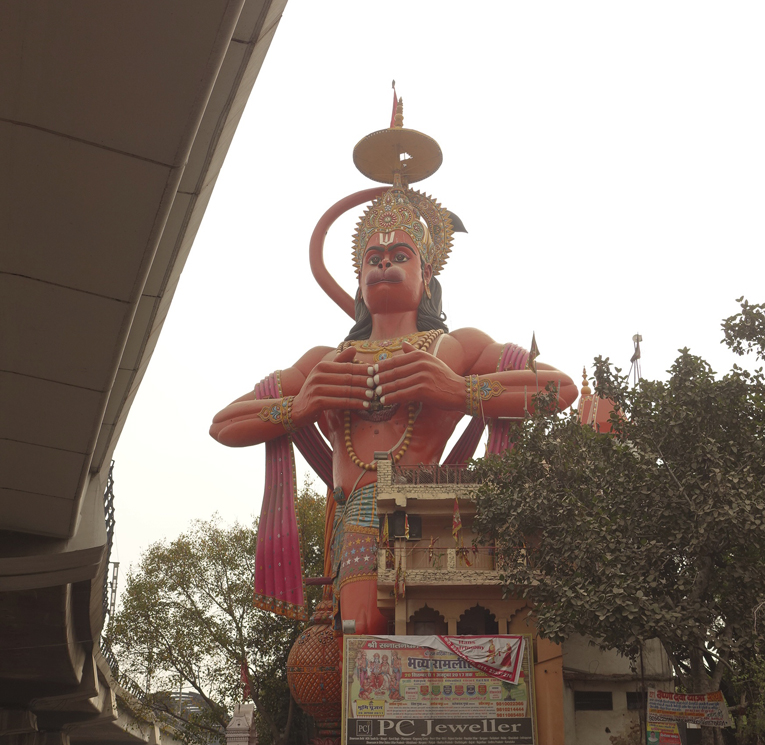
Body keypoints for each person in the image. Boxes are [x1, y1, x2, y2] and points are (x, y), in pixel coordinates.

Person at [210, 104, 578, 638]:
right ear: (358, 280)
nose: (383, 262)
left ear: (426, 275)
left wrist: (458, 389)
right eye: (372, 256)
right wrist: (301, 406)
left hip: (435, 508)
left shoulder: (455, 347)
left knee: (458, 634)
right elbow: (224, 423)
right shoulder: (326, 362)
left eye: (399, 254)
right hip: (360, 514)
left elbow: (560, 388)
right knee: (363, 626)